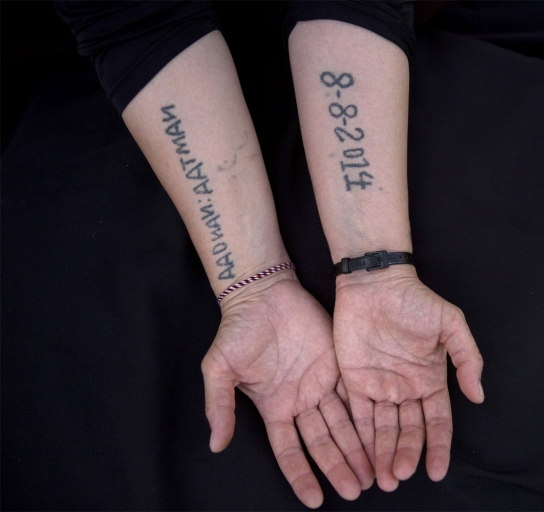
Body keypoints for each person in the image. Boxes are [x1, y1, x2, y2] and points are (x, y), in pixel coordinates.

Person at [55, 1, 484, 507]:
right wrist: (252, 284)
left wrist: (378, 266)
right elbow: (136, 21)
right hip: (162, 92)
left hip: (370, 61)